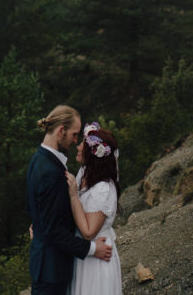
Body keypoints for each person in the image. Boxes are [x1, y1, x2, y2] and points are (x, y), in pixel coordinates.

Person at [26, 105, 113, 295]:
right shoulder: (51, 172)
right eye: (74, 135)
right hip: (52, 271)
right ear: (61, 131)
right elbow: (54, 231)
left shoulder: (38, 160)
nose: (76, 141)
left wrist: (40, 230)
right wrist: (92, 249)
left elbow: (41, 211)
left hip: (47, 265)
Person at [66, 121, 123, 294]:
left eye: (82, 144)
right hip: (85, 255)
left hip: (97, 259)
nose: (78, 147)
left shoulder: (102, 189)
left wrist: (74, 195)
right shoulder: (84, 172)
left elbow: (89, 232)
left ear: (93, 153)